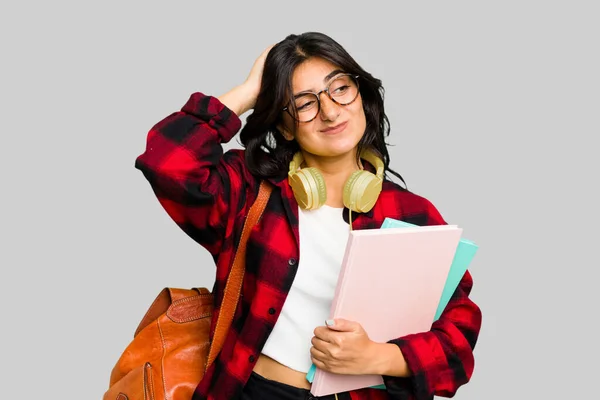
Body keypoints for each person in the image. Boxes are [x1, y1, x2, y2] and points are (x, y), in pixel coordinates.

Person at [135, 32, 482, 400]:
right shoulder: (249, 192)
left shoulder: (413, 215)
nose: (330, 111)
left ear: (361, 95)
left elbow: (458, 339)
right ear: (285, 125)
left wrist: (380, 356)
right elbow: (167, 161)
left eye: (340, 89)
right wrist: (251, 90)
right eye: (304, 104)